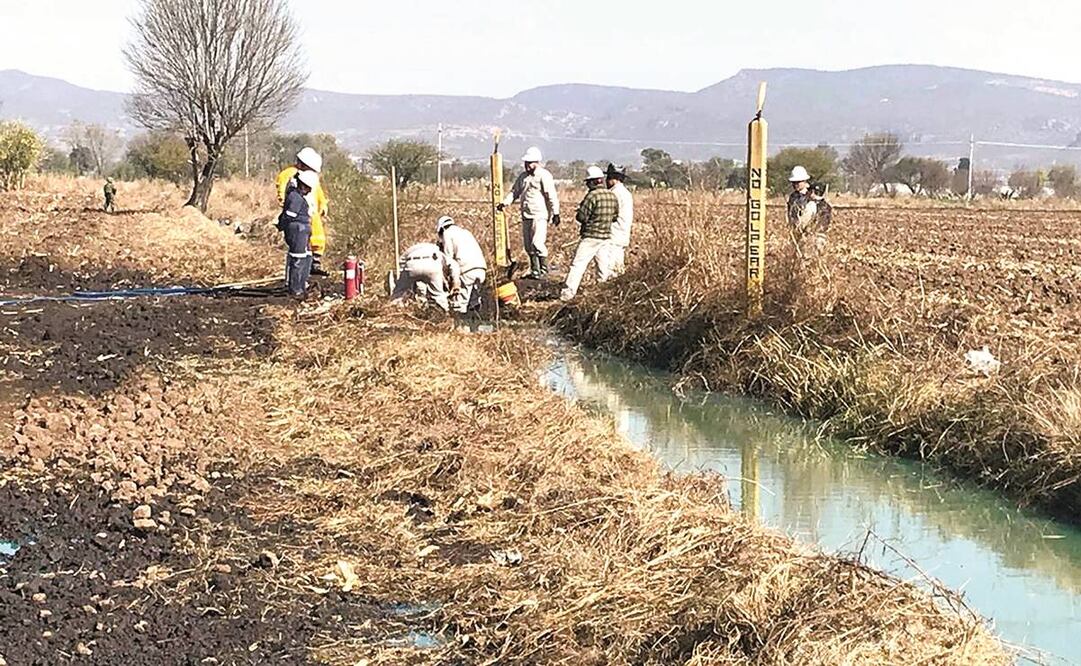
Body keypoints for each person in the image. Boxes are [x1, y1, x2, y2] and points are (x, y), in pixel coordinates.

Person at [497, 146, 560, 279]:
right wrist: (505, 202)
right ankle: (534, 270)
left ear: (537, 162)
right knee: (528, 246)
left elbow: (551, 195)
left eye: (529, 163)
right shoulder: (523, 177)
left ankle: (543, 270)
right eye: (526, 163)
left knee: (537, 243)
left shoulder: (544, 175)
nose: (527, 165)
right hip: (526, 215)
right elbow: (515, 192)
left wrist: (556, 213)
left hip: (540, 215)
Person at [560, 166, 619, 302]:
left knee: (578, 265)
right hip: (605, 237)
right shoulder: (612, 195)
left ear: (593, 182)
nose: (587, 185)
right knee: (602, 268)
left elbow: (581, 217)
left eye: (588, 182)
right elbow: (615, 217)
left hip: (591, 237)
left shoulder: (591, 196)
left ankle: (567, 294)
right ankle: (601, 294)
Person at [276, 147, 330, 276]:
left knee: (315, 237)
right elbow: (282, 191)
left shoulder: (310, 177)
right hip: (297, 215)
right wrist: (287, 206)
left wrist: (323, 204)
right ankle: (295, 279)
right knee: (297, 249)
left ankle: (313, 262)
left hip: (311, 212)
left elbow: (318, 191)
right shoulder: (290, 174)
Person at [277, 170, 319, 297]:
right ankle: (296, 289)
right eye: (308, 188)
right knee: (298, 258)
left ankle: (301, 285)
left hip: (303, 230)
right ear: (303, 185)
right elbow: (289, 216)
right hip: (298, 230)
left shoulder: (298, 196)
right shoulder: (295, 197)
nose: (309, 191)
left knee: (306, 257)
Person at [437, 216, 487, 313]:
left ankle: (459, 325)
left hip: (466, 270)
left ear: (441, 229)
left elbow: (448, 258)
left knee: (460, 304)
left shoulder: (447, 233)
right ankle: (476, 324)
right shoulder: (466, 232)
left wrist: (446, 277)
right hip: (481, 269)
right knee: (474, 301)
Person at [390, 242, 457, 312]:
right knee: (438, 295)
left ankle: (395, 311)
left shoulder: (411, 249)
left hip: (411, 264)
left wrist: (401, 281)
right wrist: (456, 283)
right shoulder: (438, 252)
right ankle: (445, 313)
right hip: (431, 264)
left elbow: (400, 264)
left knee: (399, 293)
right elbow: (454, 266)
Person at [602, 163, 633, 277]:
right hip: (623, 233)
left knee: (610, 267)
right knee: (618, 265)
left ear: (612, 179)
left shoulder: (614, 194)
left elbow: (610, 214)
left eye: (608, 178)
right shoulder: (626, 193)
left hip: (614, 234)